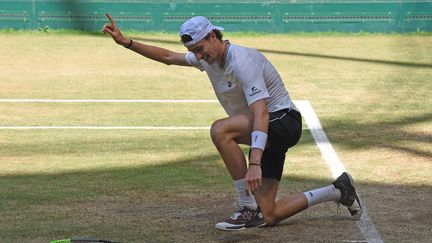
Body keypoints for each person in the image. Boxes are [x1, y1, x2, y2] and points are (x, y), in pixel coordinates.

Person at [102, 13, 363, 230]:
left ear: (213, 36)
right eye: (193, 52)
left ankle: (246, 206)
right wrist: (127, 43)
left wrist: (255, 163)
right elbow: (169, 57)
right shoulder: (209, 59)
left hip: (283, 122)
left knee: (220, 130)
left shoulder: (243, 62)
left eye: (200, 50)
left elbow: (261, 112)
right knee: (269, 214)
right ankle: (338, 190)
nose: (198, 56)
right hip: (266, 130)